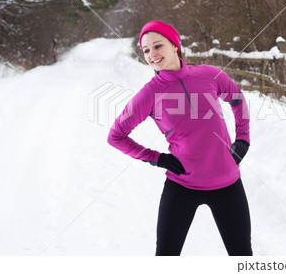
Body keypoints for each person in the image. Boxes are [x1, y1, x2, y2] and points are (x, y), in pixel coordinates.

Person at [107, 20, 252, 256]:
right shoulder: (150, 93)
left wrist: (243, 139)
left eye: (157, 46)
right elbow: (116, 136)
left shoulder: (209, 75)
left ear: (175, 45)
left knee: (242, 257)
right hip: (182, 186)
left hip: (227, 185)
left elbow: (237, 100)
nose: (152, 54)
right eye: (146, 50)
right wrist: (158, 159)